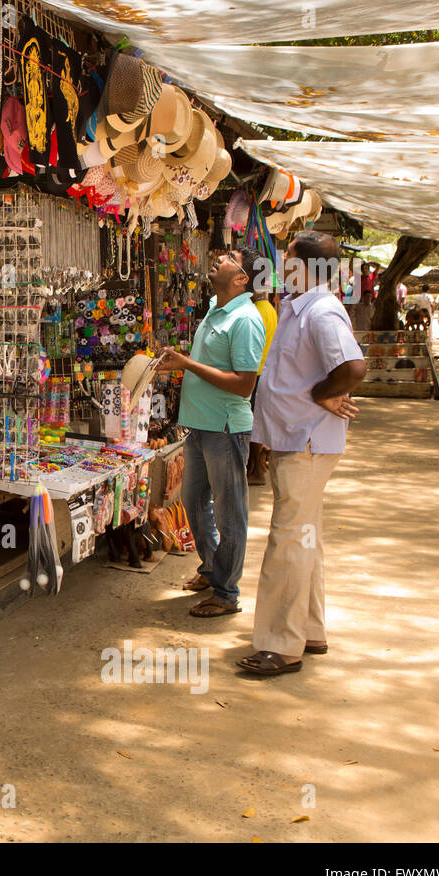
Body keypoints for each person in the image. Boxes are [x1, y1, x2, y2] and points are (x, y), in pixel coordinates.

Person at [241, 231, 366, 676]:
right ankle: (310, 630)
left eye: (287, 256)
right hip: (298, 441)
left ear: (304, 266)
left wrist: (321, 393)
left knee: (288, 541)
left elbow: (352, 366)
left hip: (307, 442)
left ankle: (280, 644)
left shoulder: (322, 310)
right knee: (305, 537)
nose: (279, 262)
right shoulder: (297, 306)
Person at [157, 247, 267, 618]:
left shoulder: (246, 319)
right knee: (193, 503)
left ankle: (226, 593)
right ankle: (211, 568)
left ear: (241, 278)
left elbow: (244, 385)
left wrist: (187, 363)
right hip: (200, 426)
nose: (219, 257)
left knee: (229, 514)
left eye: (230, 257)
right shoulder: (214, 309)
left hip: (225, 429)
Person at [247, 280, 279, 486]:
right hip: (264, 371)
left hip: (256, 372)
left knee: (253, 423)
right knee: (256, 421)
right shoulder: (269, 309)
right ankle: (256, 465)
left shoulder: (257, 311)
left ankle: (256, 469)